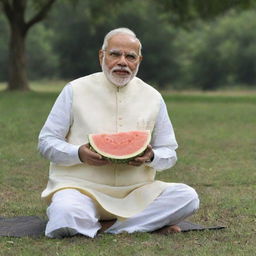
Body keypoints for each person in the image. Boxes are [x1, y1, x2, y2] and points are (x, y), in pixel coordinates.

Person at [38, 27, 199, 239]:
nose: (122, 62)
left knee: (187, 197)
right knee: (65, 214)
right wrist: (78, 153)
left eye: (130, 56)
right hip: (80, 189)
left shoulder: (153, 97)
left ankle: (107, 228)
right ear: (101, 55)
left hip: (136, 192)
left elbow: (169, 152)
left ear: (139, 60)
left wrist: (151, 157)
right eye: (115, 54)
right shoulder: (74, 90)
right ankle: (137, 225)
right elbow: (46, 142)